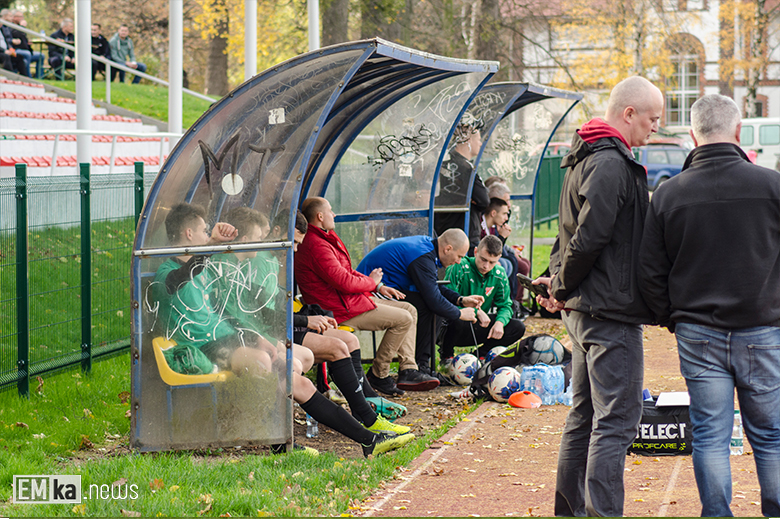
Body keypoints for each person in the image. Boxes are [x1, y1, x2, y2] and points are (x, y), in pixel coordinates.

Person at [153, 203, 415, 457]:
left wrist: (256, 337)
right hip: (202, 346)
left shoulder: (208, 270)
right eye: (202, 231)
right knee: (266, 363)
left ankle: (365, 439)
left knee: (293, 376)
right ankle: (281, 441)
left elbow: (227, 313)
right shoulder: (167, 271)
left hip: (228, 337)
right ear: (189, 234)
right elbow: (181, 278)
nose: (206, 235)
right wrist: (212, 246)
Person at [638, 94, 780, 517]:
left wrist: (671, 317)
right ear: (738, 133)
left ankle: (717, 514)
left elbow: (649, 271)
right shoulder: (772, 186)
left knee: (710, 436)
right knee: (771, 436)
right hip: (763, 328)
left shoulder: (667, 195)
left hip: (698, 331)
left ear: (692, 136)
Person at [535, 75, 663, 516]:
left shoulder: (585, 155)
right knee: (616, 422)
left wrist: (558, 283)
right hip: (608, 311)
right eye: (651, 119)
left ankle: (569, 510)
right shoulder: (609, 162)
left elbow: (565, 232)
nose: (655, 129)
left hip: (587, 309)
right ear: (628, 114)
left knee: (584, 416)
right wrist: (561, 285)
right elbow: (587, 236)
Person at [219, 206, 410, 437]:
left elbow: (271, 306)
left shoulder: (272, 259)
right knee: (336, 347)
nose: (296, 248)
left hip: (281, 326)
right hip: (273, 330)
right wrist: (305, 320)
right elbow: (263, 314)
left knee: (347, 341)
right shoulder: (259, 261)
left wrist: (308, 316)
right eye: (295, 242)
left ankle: (366, 409)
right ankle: (364, 417)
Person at [296, 197, 439, 395]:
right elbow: (344, 281)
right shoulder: (316, 245)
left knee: (409, 309)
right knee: (404, 319)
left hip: (347, 301)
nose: (334, 214)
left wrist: (378, 286)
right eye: (330, 210)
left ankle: (408, 370)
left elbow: (347, 272)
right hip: (337, 309)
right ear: (320, 216)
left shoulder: (325, 238)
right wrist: (371, 283)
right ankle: (379, 374)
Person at [356, 228, 483, 375]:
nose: (458, 261)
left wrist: (460, 300)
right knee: (431, 306)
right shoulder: (422, 256)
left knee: (431, 305)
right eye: (459, 256)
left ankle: (419, 365)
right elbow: (434, 299)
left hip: (386, 289)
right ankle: (418, 366)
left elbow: (432, 287)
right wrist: (459, 313)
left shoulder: (427, 248)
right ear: (448, 249)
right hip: (368, 292)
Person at [440, 235, 526, 360]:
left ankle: (479, 356)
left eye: (492, 262)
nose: (486, 266)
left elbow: (506, 305)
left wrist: (500, 322)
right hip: (454, 326)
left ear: (499, 259)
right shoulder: (458, 267)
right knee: (455, 317)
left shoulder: (499, 274)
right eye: (483, 259)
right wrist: (476, 312)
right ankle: (447, 356)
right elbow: (447, 301)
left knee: (517, 327)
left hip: (479, 325)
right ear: (475, 252)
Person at [433, 116, 489, 246]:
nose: (480, 144)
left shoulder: (444, 163)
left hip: (442, 228)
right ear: (467, 140)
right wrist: (470, 199)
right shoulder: (466, 168)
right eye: (479, 140)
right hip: (464, 231)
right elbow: (483, 200)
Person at [8, 10, 43, 78]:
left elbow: (22, 38)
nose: (22, 18)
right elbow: (15, 35)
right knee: (27, 54)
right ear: (14, 17)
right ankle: (28, 77)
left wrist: (27, 43)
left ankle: (39, 77)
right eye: (20, 16)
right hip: (16, 50)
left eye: (22, 16)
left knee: (41, 55)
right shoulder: (10, 26)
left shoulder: (20, 27)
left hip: (26, 50)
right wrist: (22, 27)